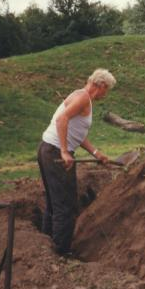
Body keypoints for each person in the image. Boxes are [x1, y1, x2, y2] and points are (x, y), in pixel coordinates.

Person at [37, 68, 116, 255]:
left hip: (47, 149)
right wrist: (64, 151)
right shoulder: (82, 99)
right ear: (101, 86)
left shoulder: (79, 95)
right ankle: (60, 252)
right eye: (107, 90)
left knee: (54, 201)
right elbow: (62, 120)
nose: (106, 94)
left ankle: (45, 245)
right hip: (55, 152)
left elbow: (76, 133)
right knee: (65, 205)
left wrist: (96, 153)